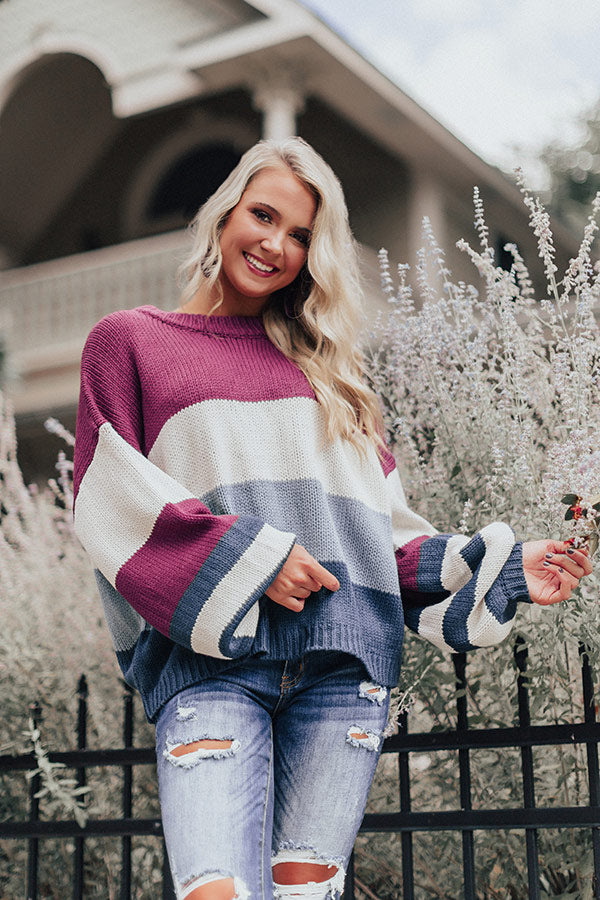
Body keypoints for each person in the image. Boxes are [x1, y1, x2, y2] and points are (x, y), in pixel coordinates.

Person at [73, 137, 592, 900]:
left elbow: (383, 539)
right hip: (210, 671)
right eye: (263, 215)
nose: (276, 245)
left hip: (341, 677)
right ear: (225, 211)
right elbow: (107, 502)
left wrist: (508, 570)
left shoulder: (337, 382)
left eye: (302, 237)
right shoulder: (130, 344)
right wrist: (252, 560)